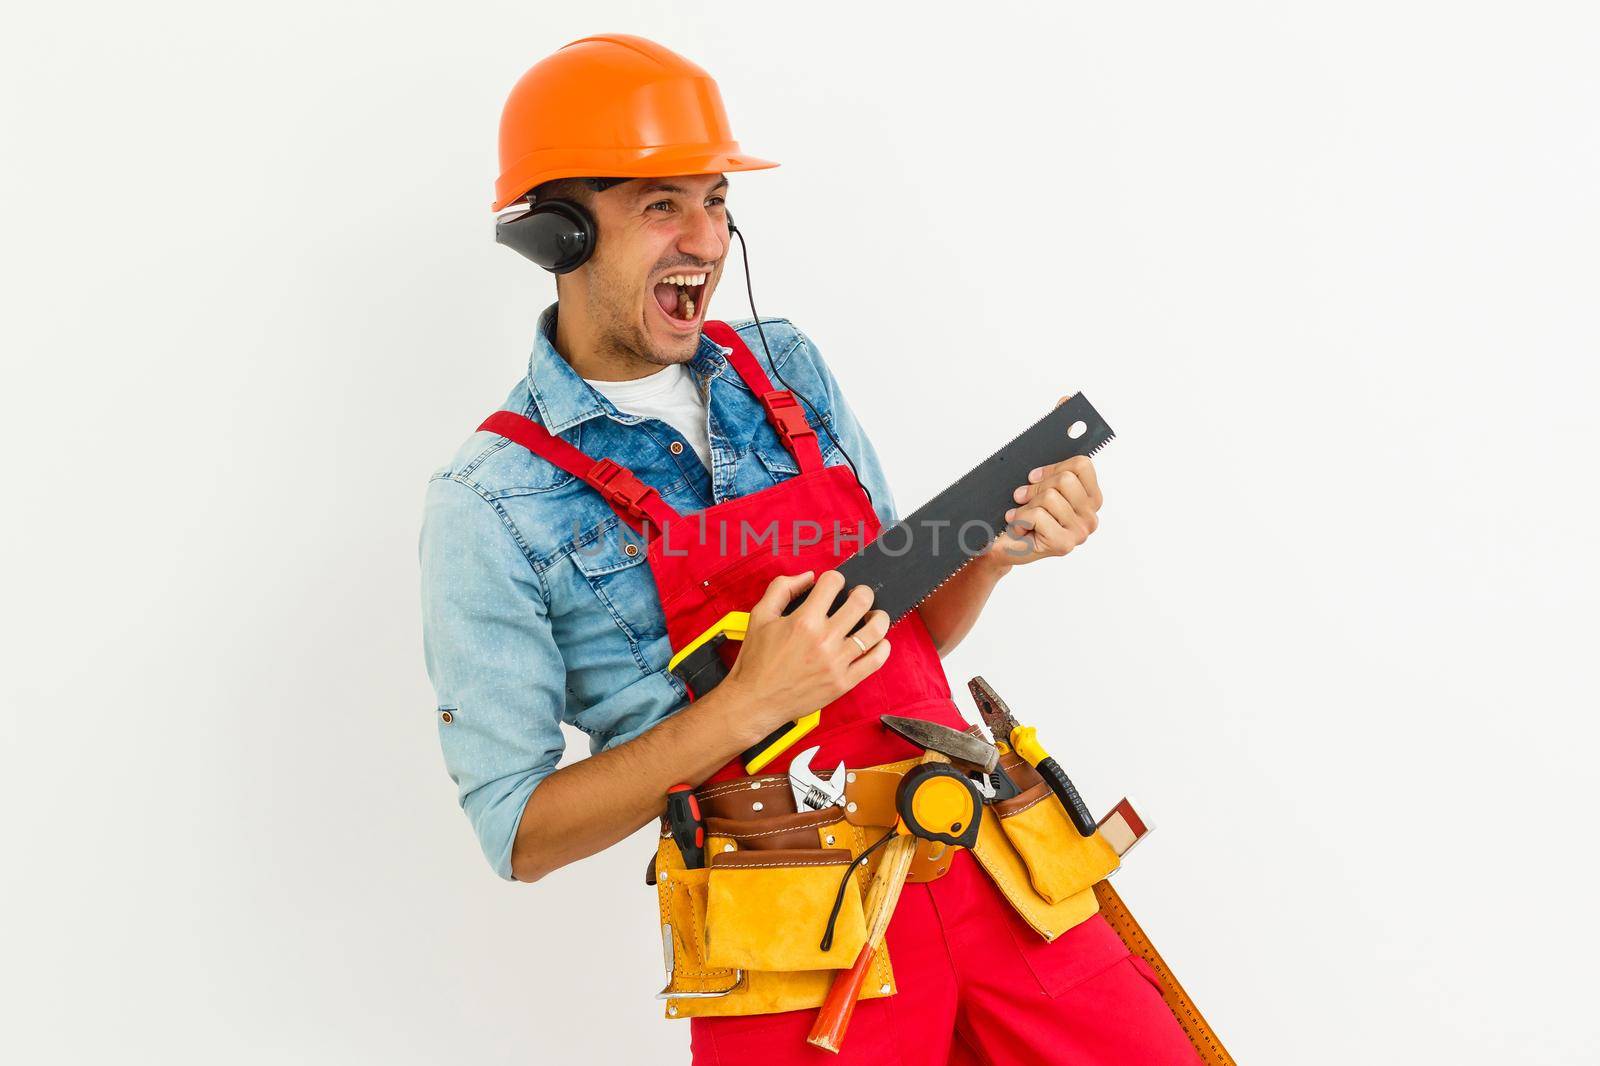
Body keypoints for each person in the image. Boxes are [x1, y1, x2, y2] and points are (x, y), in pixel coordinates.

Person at [420, 33, 1201, 1066]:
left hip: (989, 865)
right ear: (560, 234)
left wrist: (994, 549)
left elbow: (901, 637)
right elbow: (517, 833)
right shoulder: (490, 500)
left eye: (715, 199)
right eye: (662, 205)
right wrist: (747, 704)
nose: (705, 237)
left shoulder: (783, 364)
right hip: (795, 933)